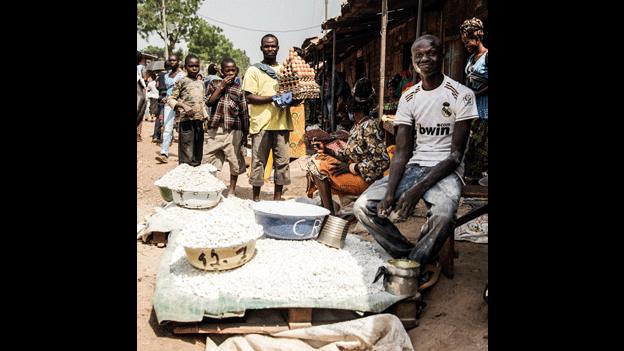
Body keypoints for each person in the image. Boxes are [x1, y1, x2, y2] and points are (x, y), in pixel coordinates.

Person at [352, 35, 478, 267]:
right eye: (418, 55)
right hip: (415, 166)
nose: (425, 59)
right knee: (362, 207)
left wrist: (414, 192)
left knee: (443, 214)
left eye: (430, 53)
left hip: (446, 171)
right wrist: (390, 191)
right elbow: (401, 152)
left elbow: (455, 156)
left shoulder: (461, 94)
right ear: (412, 61)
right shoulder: (409, 97)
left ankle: (415, 265)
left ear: (441, 56)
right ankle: (408, 255)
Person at [306, 77, 389, 216]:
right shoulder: (358, 125)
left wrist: (351, 167)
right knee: (318, 158)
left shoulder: (369, 127)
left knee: (317, 166)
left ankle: (330, 216)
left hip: (366, 180)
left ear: (352, 104)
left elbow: (383, 161)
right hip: (357, 173)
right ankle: (330, 209)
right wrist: (326, 150)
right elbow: (348, 154)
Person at [241, 34, 297, 201]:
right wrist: (273, 98)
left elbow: (294, 97)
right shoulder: (254, 70)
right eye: (267, 46)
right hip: (261, 124)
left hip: (282, 124)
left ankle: (277, 198)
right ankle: (256, 198)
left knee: (282, 162)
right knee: (258, 162)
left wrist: (295, 97)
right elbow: (249, 97)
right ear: (261, 48)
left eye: (273, 46)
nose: (270, 49)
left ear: (278, 48)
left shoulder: (285, 71)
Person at [204, 57, 249, 197]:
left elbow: (244, 112)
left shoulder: (239, 89)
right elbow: (209, 102)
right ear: (221, 71)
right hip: (215, 129)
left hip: (234, 130)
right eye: (227, 70)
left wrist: (245, 134)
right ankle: (210, 187)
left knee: (234, 160)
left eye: (233, 70)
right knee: (209, 159)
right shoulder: (214, 84)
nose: (230, 72)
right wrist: (221, 87)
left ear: (236, 71)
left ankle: (232, 190)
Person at [165, 54, 208, 166]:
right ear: (185, 67)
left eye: (196, 66)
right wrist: (183, 106)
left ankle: (194, 178)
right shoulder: (181, 81)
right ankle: (184, 177)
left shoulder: (201, 83)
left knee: (198, 153)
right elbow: (170, 99)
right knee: (186, 153)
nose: (194, 68)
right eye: (191, 66)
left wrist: (206, 117)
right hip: (186, 121)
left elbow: (202, 102)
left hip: (199, 121)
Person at [460, 17, 488, 184]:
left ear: (477, 38)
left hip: (485, 110)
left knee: (480, 146)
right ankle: (470, 178)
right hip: (472, 110)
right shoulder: (471, 59)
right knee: (470, 145)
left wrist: (476, 94)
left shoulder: (487, 57)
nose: (466, 46)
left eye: (468, 41)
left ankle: (476, 181)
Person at [156, 54, 185, 163]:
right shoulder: (167, 75)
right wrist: (164, 98)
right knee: (167, 128)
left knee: (182, 129)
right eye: (170, 60)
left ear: (178, 61)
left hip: (180, 103)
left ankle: (184, 155)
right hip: (169, 103)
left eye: (174, 60)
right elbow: (165, 89)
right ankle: (164, 153)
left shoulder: (182, 75)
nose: (172, 62)